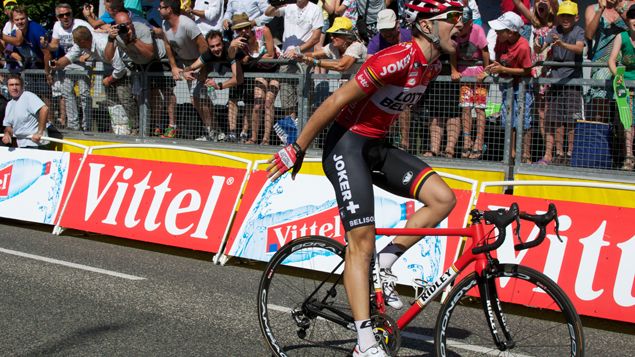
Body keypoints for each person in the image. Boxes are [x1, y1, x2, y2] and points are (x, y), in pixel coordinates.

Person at [266, 1, 462, 355]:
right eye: (452, 19)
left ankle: (385, 264)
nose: (460, 26)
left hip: (375, 146)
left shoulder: (431, 65)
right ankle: (364, 343)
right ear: (428, 27)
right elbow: (338, 99)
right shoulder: (395, 58)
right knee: (361, 243)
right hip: (346, 147)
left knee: (444, 199)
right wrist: (297, 147)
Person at [52, 27, 138, 135]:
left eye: (76, 40)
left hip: (124, 68)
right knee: (112, 103)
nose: (74, 42)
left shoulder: (102, 44)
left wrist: (109, 80)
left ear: (83, 41)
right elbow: (69, 57)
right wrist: (57, 64)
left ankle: (136, 129)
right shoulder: (82, 44)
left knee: (125, 99)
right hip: (109, 68)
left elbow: (120, 68)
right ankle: (120, 130)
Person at [265, 0, 323, 145]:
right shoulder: (288, 6)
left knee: (305, 101)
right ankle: (292, 140)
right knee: (287, 103)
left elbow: (316, 37)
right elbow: (268, 13)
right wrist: (279, 2)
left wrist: (298, 50)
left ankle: (307, 140)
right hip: (286, 61)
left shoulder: (315, 9)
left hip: (304, 60)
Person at [535, 1, 585, 166]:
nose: (565, 19)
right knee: (555, 120)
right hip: (555, 82)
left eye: (569, 16)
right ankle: (557, 153)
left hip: (572, 83)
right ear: (558, 16)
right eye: (563, 15)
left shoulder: (579, 31)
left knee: (571, 121)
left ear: (576, 17)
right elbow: (540, 47)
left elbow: (580, 49)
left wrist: (562, 44)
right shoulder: (554, 30)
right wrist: (538, 44)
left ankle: (570, 154)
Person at [105, 10, 169, 136]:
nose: (127, 27)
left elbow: (149, 54)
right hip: (140, 63)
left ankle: (163, 125)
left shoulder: (142, 29)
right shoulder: (116, 35)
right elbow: (108, 57)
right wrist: (110, 39)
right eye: (123, 25)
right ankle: (147, 126)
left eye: (129, 23)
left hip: (159, 58)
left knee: (163, 92)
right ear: (116, 26)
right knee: (141, 94)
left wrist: (132, 40)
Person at [486, 11, 533, 164]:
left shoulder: (523, 46)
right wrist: (488, 70)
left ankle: (525, 154)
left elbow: (526, 70)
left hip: (522, 87)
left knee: (523, 120)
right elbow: (499, 62)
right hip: (507, 87)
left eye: (500, 30)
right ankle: (510, 153)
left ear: (511, 32)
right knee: (508, 120)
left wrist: (503, 70)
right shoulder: (500, 42)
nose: (496, 33)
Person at [157, 0, 209, 139]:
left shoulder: (187, 24)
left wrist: (201, 70)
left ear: (169, 9)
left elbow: (204, 48)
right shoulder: (164, 24)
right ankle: (207, 130)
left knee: (201, 98)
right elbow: (168, 45)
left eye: (161, 7)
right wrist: (174, 66)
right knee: (196, 99)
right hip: (186, 65)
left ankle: (213, 130)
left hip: (200, 63)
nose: (158, 9)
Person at [227, 13, 280, 145]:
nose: (243, 31)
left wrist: (251, 60)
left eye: (245, 27)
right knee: (257, 104)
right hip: (260, 71)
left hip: (275, 69)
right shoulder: (239, 42)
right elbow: (231, 56)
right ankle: (253, 137)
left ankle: (266, 139)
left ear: (250, 26)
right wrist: (232, 46)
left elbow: (270, 55)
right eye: (239, 29)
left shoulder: (263, 31)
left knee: (268, 102)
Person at [181, 30, 245, 141]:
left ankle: (244, 136)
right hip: (235, 76)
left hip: (249, 71)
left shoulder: (230, 50)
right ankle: (226, 134)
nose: (216, 48)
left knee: (250, 105)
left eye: (218, 45)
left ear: (223, 41)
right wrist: (184, 72)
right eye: (212, 46)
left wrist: (218, 86)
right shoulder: (209, 53)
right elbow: (192, 66)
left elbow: (238, 79)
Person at [41, 3, 93, 132]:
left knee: (84, 94)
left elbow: (94, 41)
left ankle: (87, 125)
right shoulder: (57, 26)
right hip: (67, 63)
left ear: (72, 14)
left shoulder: (82, 24)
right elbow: (55, 45)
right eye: (61, 15)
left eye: (67, 14)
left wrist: (87, 55)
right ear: (57, 17)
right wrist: (47, 46)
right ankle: (73, 124)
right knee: (67, 93)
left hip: (83, 64)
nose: (65, 17)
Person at [448, 6, 489, 160]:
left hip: (478, 72)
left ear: (470, 22)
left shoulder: (477, 30)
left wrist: (486, 71)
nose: (460, 25)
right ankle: (466, 139)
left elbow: (485, 51)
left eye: (463, 23)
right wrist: (453, 70)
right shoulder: (454, 33)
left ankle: (479, 140)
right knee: (465, 108)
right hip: (464, 73)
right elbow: (452, 52)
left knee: (479, 108)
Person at [368, 9, 413, 150]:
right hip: (386, 82)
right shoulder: (375, 42)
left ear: (397, 25)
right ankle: (387, 142)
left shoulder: (410, 36)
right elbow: (368, 65)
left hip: (409, 80)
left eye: (390, 29)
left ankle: (405, 143)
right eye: (383, 30)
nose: (387, 34)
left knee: (404, 107)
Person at [585, 0, 628, 124]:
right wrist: (600, 10)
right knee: (600, 108)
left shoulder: (627, 6)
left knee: (623, 112)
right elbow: (589, 34)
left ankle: (619, 141)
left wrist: (619, 9)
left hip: (623, 64)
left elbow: (632, 26)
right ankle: (601, 139)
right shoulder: (592, 9)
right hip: (601, 64)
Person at [609, 3, 635, 171]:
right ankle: (629, 157)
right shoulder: (622, 37)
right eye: (632, 17)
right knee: (628, 122)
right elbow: (611, 60)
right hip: (625, 87)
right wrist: (618, 79)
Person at [2, 74, 49, 149]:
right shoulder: (9, 104)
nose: (14, 87)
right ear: (7, 87)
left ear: (22, 86)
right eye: (11, 85)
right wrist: (7, 134)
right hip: (21, 145)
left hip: (35, 144)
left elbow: (44, 109)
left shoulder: (28, 96)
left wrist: (40, 132)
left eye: (17, 84)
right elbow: (8, 126)